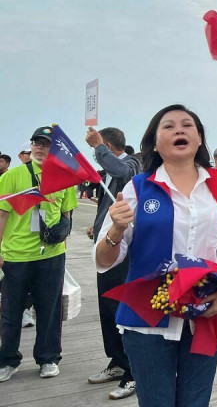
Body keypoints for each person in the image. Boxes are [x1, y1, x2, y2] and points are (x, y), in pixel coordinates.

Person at [93, 104, 217, 407]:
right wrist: (115, 230)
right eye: (169, 126)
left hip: (206, 311)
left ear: (200, 138)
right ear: (154, 142)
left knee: (196, 401)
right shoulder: (137, 188)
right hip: (146, 317)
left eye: (187, 125)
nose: (179, 129)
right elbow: (104, 260)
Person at [0, 126, 78, 382]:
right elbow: (1, 216)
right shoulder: (11, 176)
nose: (41, 148)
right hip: (16, 255)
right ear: (31, 146)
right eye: (37, 143)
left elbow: (66, 216)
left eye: (46, 144)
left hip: (51, 256)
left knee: (50, 309)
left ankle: (48, 358)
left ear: (54, 149)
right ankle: (8, 360)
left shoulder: (63, 177)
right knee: (11, 311)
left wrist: (62, 238)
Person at [85, 126, 141, 400]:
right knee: (107, 308)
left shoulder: (134, 162)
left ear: (107, 145)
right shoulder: (109, 173)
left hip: (124, 253)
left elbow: (122, 172)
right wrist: (97, 227)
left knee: (121, 311)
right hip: (105, 249)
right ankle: (117, 361)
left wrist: (97, 147)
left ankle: (133, 371)